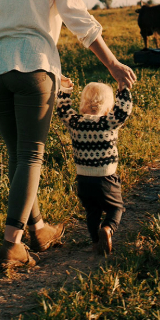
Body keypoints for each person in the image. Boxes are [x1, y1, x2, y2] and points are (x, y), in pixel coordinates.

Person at [0, 0, 137, 267]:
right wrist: (112, 64)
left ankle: (37, 228)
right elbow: (78, 18)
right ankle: (11, 246)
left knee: (17, 155)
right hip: (32, 64)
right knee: (32, 154)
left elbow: (5, 16)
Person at [55, 76, 133, 255]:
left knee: (92, 211)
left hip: (83, 179)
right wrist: (123, 90)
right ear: (108, 106)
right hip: (106, 178)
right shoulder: (109, 123)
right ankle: (108, 229)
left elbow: (63, 110)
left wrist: (66, 89)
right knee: (116, 208)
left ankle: (96, 243)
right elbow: (123, 111)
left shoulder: (75, 123)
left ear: (84, 103)